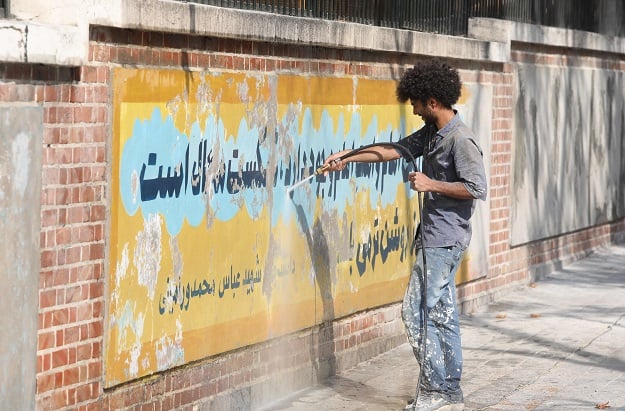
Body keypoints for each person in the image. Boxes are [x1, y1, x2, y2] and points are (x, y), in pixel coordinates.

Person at [322, 60, 487, 411]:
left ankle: (434, 392)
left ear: (431, 100)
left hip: (445, 239)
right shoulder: (432, 134)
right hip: (433, 238)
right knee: (441, 314)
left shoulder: (461, 139)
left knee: (417, 313)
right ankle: (449, 393)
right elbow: (393, 150)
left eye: (414, 102)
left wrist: (431, 184)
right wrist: (348, 157)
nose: (412, 110)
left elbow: (476, 187)